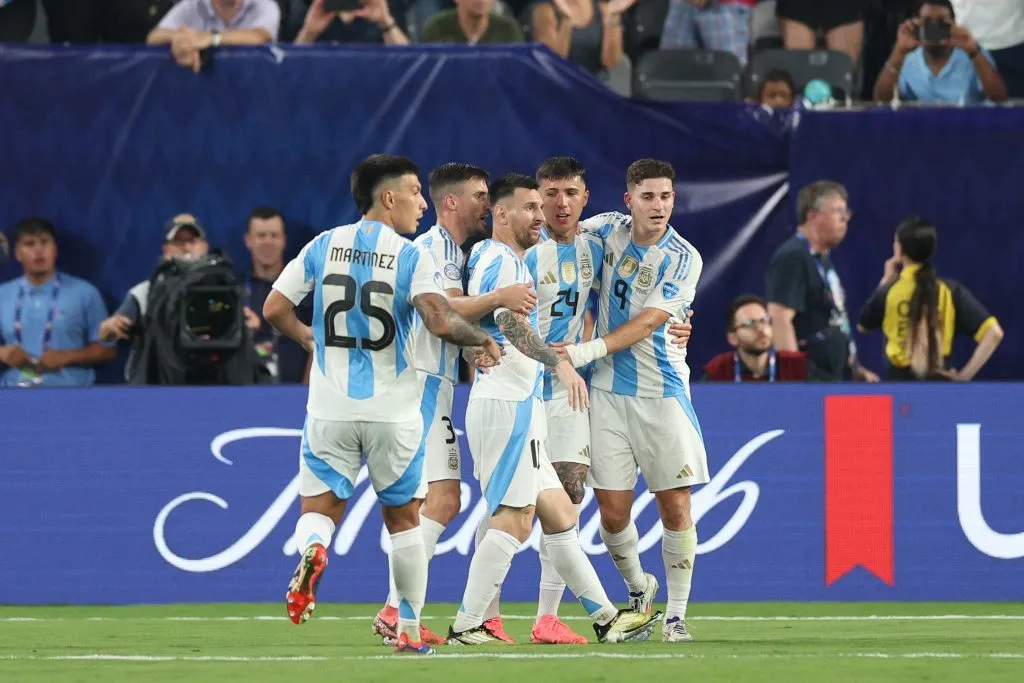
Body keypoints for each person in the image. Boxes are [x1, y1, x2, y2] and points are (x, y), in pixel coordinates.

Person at [263, 154, 501, 656]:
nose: (421, 203)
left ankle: (313, 551)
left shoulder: (323, 245)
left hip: (329, 407)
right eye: (415, 192)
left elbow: (274, 308)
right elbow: (439, 320)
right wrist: (480, 339)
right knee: (404, 524)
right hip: (394, 412)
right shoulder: (413, 256)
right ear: (387, 197)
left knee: (320, 509)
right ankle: (409, 630)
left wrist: (309, 338)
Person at [448, 173, 659, 645]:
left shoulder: (497, 257)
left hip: (518, 403)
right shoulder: (504, 261)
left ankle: (606, 617)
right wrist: (558, 364)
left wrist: (475, 345)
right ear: (502, 214)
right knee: (515, 518)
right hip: (507, 403)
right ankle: (467, 623)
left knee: (561, 512)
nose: (539, 216)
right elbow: (502, 318)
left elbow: (479, 320)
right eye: (529, 208)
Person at [372, 162, 536, 646]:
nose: (488, 204)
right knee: (439, 501)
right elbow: (440, 310)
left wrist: (470, 344)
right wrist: (498, 297)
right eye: (481, 196)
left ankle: (397, 609)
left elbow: (443, 321)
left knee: (442, 500)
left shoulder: (455, 253)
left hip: (434, 385)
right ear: (452, 202)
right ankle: (394, 609)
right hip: (418, 386)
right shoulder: (432, 249)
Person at [565, 159, 708, 643]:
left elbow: (649, 322)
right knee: (611, 513)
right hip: (606, 394)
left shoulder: (684, 257)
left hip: (661, 394)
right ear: (629, 201)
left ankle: (677, 615)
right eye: (648, 196)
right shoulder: (605, 230)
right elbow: (558, 233)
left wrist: (585, 349)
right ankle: (639, 591)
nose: (659, 206)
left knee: (674, 509)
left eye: (666, 196)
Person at [858, 215, 1003, 381]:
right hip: (941, 394)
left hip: (898, 392)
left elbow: (864, 326)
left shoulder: (889, 291)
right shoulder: (950, 291)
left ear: (899, 250)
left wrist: (884, 283)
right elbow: (994, 333)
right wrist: (963, 377)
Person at [764, 181, 878, 382]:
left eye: (845, 211)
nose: (845, 218)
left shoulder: (821, 259)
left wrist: (855, 367)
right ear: (812, 216)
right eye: (837, 211)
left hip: (831, 376)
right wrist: (795, 382)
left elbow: (835, 318)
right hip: (810, 382)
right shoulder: (793, 256)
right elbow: (780, 320)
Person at [0, 218, 115, 387]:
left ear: (55, 249)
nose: (38, 251)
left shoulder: (85, 293)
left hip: (70, 395)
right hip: (13, 392)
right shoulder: (3, 294)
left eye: (44, 242)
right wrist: (2, 353)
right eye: (29, 244)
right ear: (17, 253)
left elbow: (107, 349)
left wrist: (66, 357)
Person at [872, 0, 1007, 104]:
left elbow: (999, 98)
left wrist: (973, 52)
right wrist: (898, 52)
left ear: (953, 25)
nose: (934, 28)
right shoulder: (907, 57)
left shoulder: (973, 53)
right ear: (917, 24)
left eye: (942, 23)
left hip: (966, 127)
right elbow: (881, 100)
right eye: (928, 22)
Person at [702, 294, 811, 382]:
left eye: (764, 321)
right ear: (732, 338)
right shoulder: (718, 371)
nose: (760, 329)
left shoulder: (797, 365)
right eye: (750, 323)